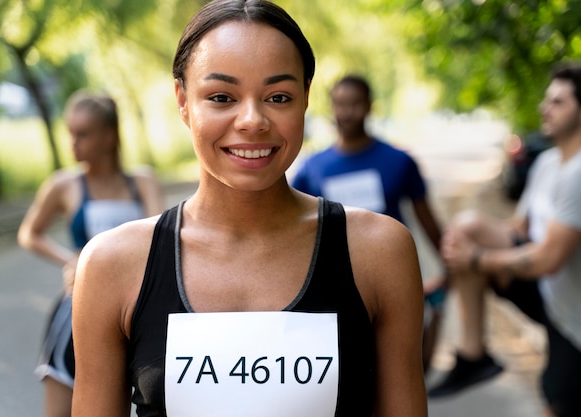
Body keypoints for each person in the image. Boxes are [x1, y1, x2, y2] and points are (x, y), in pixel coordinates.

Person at [70, 1, 428, 416]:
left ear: (306, 100)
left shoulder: (379, 251)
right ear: (183, 100)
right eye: (222, 97)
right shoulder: (111, 263)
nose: (253, 120)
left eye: (278, 96)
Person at [428, 62, 581, 417]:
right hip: (548, 293)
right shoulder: (548, 162)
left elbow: (547, 259)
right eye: (547, 100)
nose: (545, 108)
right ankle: (473, 355)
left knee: (557, 410)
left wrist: (476, 261)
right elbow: (518, 231)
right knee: (466, 227)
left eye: (558, 102)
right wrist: (455, 272)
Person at [17, 91, 164, 417]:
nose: (73, 143)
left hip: (136, 309)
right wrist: (72, 260)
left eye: (82, 134)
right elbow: (29, 233)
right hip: (78, 307)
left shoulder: (141, 181)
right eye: (70, 133)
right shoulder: (64, 185)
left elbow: (159, 236)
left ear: (109, 136)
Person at [291, 74, 445, 371]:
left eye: (355, 104)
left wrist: (448, 267)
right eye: (340, 104)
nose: (347, 112)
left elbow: (427, 219)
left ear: (370, 106)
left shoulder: (399, 161)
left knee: (408, 367)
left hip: (394, 277)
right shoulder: (313, 168)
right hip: (336, 286)